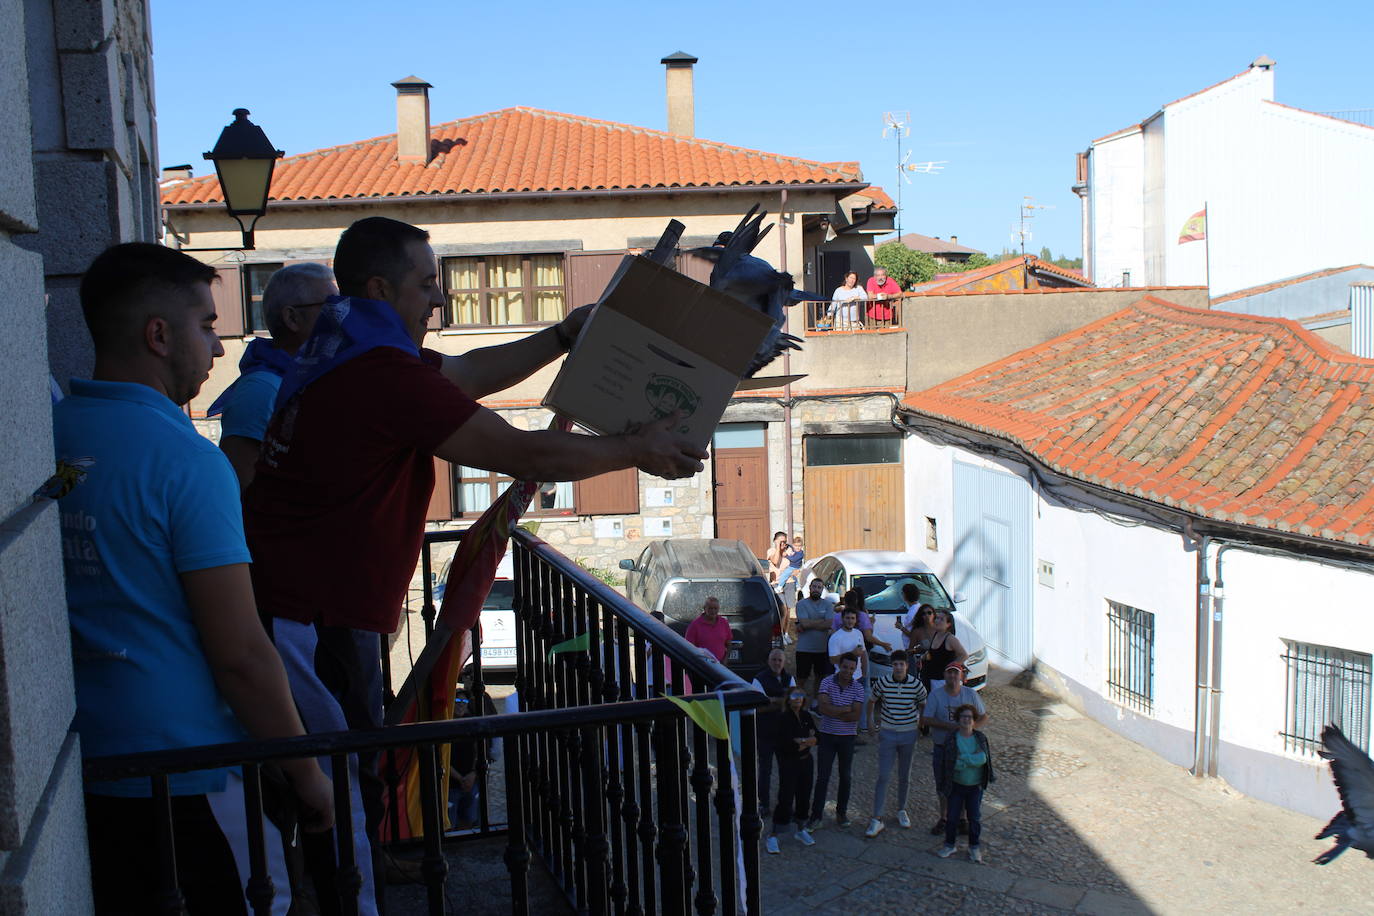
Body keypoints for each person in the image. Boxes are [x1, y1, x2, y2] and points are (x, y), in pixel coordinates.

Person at [244, 216, 706, 901]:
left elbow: (462, 375)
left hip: (308, 604)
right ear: (380, 287)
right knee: (336, 791)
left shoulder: (350, 340)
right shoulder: (380, 371)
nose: (439, 301)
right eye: (428, 284)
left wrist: (560, 337)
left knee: (333, 783)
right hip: (309, 616)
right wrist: (635, 450)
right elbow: (525, 454)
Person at [56, 243, 334, 915]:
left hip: (76, 763)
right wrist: (306, 774)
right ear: (158, 336)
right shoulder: (187, 463)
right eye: (207, 325)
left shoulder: (49, 432)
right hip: (176, 772)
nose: (216, 348)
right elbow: (240, 652)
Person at [210, 263, 336, 489]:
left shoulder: (303, 381)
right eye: (330, 308)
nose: (341, 318)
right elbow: (242, 490)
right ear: (292, 318)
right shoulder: (260, 390)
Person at [864, 650, 928, 838]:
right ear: (892, 666)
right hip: (888, 733)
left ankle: (901, 809)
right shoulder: (883, 682)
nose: (898, 667)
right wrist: (869, 721)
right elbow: (871, 700)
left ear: (907, 666)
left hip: (908, 734)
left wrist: (921, 723)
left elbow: (923, 703)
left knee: (904, 775)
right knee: (883, 775)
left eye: (901, 664)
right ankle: (877, 817)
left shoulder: (916, 685)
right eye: (895, 664)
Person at [920, 663, 988, 837]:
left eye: (955, 673)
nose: (952, 677)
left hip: (964, 748)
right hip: (942, 747)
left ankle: (962, 818)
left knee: (964, 783)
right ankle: (944, 817)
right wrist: (950, 727)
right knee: (942, 784)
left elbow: (983, 715)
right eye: (949, 673)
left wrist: (971, 731)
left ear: (961, 676)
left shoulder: (970, 694)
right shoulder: (936, 695)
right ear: (944, 675)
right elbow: (926, 719)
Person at [806, 653, 865, 830]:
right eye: (845, 667)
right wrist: (845, 709)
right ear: (840, 665)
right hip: (827, 736)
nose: (848, 671)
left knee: (845, 777)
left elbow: (855, 716)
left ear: (855, 670)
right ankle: (816, 815)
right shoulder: (826, 682)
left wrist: (835, 710)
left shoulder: (858, 688)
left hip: (847, 738)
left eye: (851, 668)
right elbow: (823, 709)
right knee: (823, 777)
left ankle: (841, 813)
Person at [936, 703, 995, 863]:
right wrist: (971, 760)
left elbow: (983, 759)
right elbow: (951, 763)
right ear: (958, 719)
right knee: (952, 817)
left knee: (974, 818)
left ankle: (974, 847)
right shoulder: (952, 739)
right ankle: (949, 844)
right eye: (963, 716)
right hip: (956, 785)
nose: (966, 720)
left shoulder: (980, 738)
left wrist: (964, 758)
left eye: (969, 717)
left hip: (975, 786)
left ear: (974, 720)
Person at [765, 688, 818, 853]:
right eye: (795, 696)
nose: (798, 699)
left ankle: (801, 829)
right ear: (788, 699)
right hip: (789, 763)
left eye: (801, 696)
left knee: (804, 795)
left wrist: (803, 741)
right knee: (786, 797)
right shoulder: (782, 718)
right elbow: (785, 743)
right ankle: (773, 835)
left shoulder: (806, 716)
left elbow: (818, 737)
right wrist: (806, 741)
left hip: (806, 761)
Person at [751, 648, 795, 819]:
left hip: (784, 732)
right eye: (774, 660)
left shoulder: (789, 678)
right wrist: (781, 700)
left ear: (784, 662)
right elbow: (758, 706)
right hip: (766, 732)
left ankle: (785, 804)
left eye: (780, 660)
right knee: (765, 770)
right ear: (769, 661)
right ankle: (763, 804)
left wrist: (772, 700)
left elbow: (795, 702)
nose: (777, 663)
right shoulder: (759, 679)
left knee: (786, 770)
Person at [793, 579, 836, 704]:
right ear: (810, 588)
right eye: (814, 587)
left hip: (821, 648)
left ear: (822, 590)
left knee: (820, 676)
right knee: (801, 678)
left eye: (819, 587)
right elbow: (805, 624)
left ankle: (815, 701)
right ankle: (798, 701)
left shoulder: (828, 605)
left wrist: (809, 623)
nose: (816, 589)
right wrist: (821, 623)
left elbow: (829, 623)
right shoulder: (801, 604)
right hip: (804, 648)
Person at [919, 609, 969, 693]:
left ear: (948, 624)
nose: (937, 621)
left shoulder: (950, 638)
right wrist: (923, 657)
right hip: (930, 678)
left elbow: (964, 655)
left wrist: (950, 668)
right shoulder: (936, 634)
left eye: (941, 619)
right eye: (937, 618)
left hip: (942, 681)